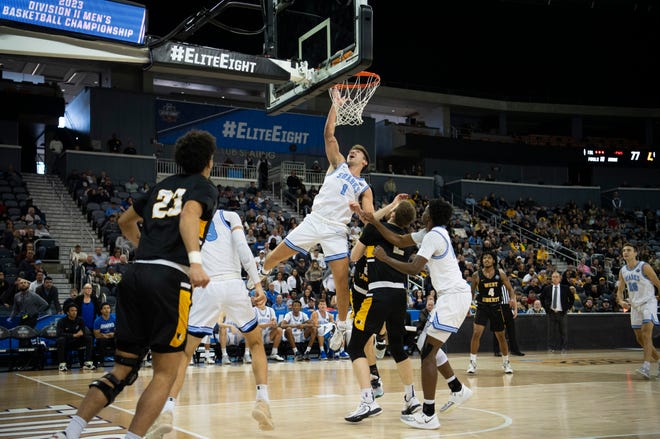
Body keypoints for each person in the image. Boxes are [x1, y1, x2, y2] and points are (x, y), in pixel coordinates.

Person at [50, 129, 218, 439]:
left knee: (122, 369)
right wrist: (195, 261)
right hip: (169, 280)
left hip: (136, 275)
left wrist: (144, 248)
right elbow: (188, 216)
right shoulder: (204, 187)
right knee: (166, 374)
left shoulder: (162, 185)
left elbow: (124, 221)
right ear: (209, 161)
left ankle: (69, 432)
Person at [258, 94, 375, 352]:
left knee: (342, 281)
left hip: (336, 230)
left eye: (359, 152)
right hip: (315, 220)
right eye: (352, 150)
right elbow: (329, 135)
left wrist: (359, 211)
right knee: (277, 257)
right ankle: (261, 271)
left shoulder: (365, 188)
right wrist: (336, 104)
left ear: (364, 162)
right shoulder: (339, 164)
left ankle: (342, 326)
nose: (353, 151)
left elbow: (371, 219)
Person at [147, 207, 272, 438]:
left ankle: (167, 410)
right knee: (255, 343)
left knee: (185, 353)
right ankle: (262, 400)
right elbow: (244, 249)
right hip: (234, 284)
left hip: (206, 286)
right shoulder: (229, 216)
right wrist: (257, 283)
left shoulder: (186, 218)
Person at [359, 199, 473, 430]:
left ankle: (429, 414)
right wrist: (375, 222)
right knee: (424, 345)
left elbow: (414, 269)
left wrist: (385, 258)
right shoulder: (431, 232)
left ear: (430, 216)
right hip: (451, 296)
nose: (424, 211)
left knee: (428, 354)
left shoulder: (433, 236)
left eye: (427, 210)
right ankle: (457, 389)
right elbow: (399, 239)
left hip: (453, 297)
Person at [344, 201, 419, 423]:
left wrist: (375, 218)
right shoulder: (407, 239)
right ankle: (411, 398)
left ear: (393, 214)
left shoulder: (375, 229)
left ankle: (368, 400)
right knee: (398, 347)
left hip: (377, 293)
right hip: (400, 296)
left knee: (355, 347)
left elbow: (354, 257)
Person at [615, 243, 660, 379]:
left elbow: (658, 283)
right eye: (623, 250)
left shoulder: (644, 267)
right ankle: (658, 360)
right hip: (634, 306)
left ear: (635, 253)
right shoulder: (623, 270)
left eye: (629, 250)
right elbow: (620, 291)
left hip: (648, 303)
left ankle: (646, 367)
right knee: (640, 338)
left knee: (646, 334)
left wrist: (657, 299)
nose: (625, 252)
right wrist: (621, 301)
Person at [466, 252, 516, 375]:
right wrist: (467, 306)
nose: (486, 260)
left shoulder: (501, 273)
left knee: (501, 336)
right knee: (476, 333)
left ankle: (506, 362)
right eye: (484, 258)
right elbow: (471, 292)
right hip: (482, 307)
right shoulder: (476, 275)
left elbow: (510, 289)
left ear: (493, 260)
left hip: (496, 307)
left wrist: (513, 300)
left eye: (489, 258)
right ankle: (472, 362)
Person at [540, 271, 575, 353]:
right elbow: (541, 298)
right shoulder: (547, 288)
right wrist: (546, 308)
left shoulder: (565, 288)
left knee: (563, 331)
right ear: (551, 278)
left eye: (556, 277)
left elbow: (572, 299)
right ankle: (550, 348)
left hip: (562, 313)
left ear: (560, 278)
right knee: (551, 332)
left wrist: (567, 308)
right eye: (553, 277)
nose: (555, 278)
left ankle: (564, 348)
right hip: (551, 313)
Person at [56, 302, 95, 371]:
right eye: (72, 310)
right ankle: (62, 364)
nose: (74, 312)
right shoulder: (61, 321)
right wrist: (73, 335)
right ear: (67, 312)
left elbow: (82, 332)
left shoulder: (80, 320)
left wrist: (76, 335)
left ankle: (88, 363)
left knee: (89, 338)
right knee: (61, 339)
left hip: (77, 341)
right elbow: (59, 333)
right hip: (67, 342)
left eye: (76, 310)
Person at [93, 302, 116, 367]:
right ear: (101, 311)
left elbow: (118, 331)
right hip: (102, 339)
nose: (107, 310)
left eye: (108, 308)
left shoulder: (114, 318)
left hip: (112, 338)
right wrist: (104, 336)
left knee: (118, 339)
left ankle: (118, 361)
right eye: (104, 308)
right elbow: (97, 335)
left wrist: (113, 334)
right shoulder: (97, 321)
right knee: (102, 341)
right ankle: (101, 361)